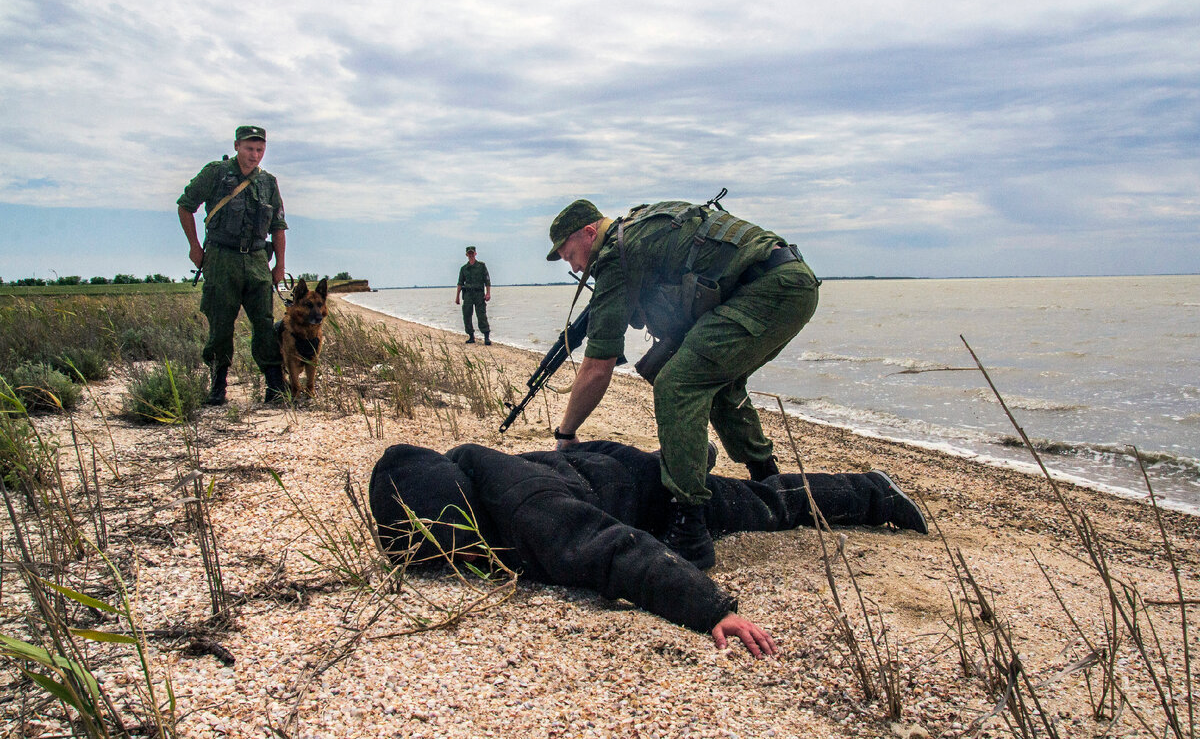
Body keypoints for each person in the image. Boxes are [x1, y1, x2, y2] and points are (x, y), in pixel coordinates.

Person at [369, 440, 927, 658]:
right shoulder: (439, 498)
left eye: (456, 547)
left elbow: (611, 547)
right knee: (708, 481)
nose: (459, 560)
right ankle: (685, 457)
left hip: (639, 494)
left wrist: (713, 609)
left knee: (761, 506)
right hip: (599, 469)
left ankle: (872, 491)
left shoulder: (523, 503)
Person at [545, 197, 820, 569]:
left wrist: (566, 433)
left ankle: (689, 527)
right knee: (713, 378)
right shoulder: (639, 225)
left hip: (769, 289)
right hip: (791, 281)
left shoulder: (616, 253)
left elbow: (597, 366)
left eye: (570, 255)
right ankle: (767, 476)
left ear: (590, 233)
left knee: (677, 384)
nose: (576, 267)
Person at [177, 125, 288, 406]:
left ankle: (275, 386)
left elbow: (277, 227)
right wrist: (194, 247)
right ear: (237, 145)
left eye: (260, 150)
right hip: (221, 259)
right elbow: (185, 206)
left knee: (264, 324)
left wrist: (279, 266)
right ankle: (217, 387)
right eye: (249, 149)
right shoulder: (216, 173)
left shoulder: (268, 182)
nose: (254, 155)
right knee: (221, 323)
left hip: (256, 260)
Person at [455, 245, 491, 345]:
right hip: (467, 295)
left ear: (475, 253)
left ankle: (486, 337)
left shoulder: (481, 266)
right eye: (469, 253)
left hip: (479, 294)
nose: (471, 255)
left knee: (481, 315)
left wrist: (488, 293)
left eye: (472, 253)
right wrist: (457, 296)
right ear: (466, 254)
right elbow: (460, 283)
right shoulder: (464, 268)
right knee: (466, 315)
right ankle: (471, 336)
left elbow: (487, 281)